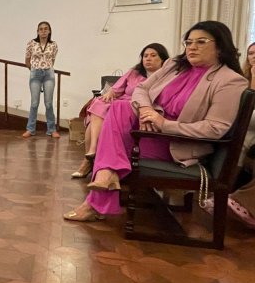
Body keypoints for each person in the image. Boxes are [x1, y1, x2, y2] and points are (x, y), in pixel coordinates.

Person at [63, 20, 248, 222]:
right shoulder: (174, 65)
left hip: (178, 144)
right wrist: (146, 109)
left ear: (220, 46)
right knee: (118, 106)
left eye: (201, 42)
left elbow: (215, 128)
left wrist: (163, 123)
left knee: (112, 142)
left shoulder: (230, 80)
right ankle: (105, 177)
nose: (192, 47)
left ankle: (98, 192)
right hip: (147, 129)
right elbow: (142, 89)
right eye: (189, 42)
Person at [71, 43, 169, 178]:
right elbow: (117, 88)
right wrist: (110, 93)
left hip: (137, 108)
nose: (148, 58)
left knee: (105, 117)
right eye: (145, 56)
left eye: (153, 55)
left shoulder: (166, 77)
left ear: (163, 59)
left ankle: (89, 162)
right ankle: (92, 151)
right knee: (99, 102)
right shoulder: (134, 72)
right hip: (120, 103)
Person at [202, 41, 255, 228]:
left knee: (244, 136)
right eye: (251, 53)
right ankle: (223, 195)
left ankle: (230, 198)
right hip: (244, 136)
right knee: (239, 138)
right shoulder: (239, 80)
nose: (254, 57)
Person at [22, 21, 60, 139]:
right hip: (35, 74)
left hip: (48, 74)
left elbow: (52, 60)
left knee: (48, 103)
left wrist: (46, 68)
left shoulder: (53, 45)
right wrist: (34, 70)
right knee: (34, 103)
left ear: (49, 31)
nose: (43, 31)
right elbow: (27, 61)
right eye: (41, 29)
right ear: (37, 31)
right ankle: (30, 129)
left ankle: (51, 130)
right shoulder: (31, 43)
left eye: (45, 29)